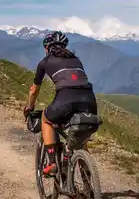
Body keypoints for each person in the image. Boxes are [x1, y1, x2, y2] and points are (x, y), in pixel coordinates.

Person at [23, 30, 97, 176]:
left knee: (47, 119)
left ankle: (51, 162)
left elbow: (33, 90)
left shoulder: (45, 62)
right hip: (89, 100)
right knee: (81, 142)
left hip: (65, 99)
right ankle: (89, 182)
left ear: (46, 48)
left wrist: (30, 107)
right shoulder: (77, 60)